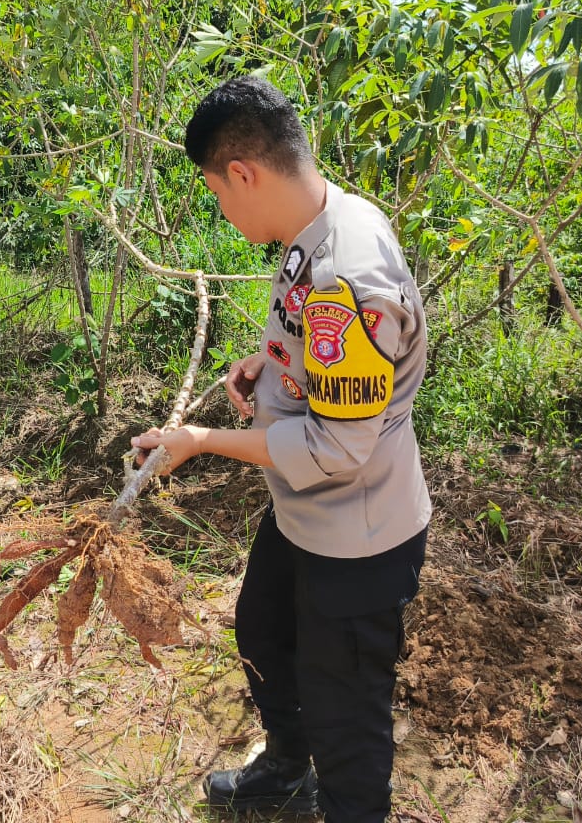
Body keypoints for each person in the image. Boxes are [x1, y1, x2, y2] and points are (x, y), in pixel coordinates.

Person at [131, 75, 432, 823]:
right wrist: (271, 363)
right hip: (304, 515)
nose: (223, 210)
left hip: (354, 534)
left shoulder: (348, 277)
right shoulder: (321, 223)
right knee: (264, 632)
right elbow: (323, 349)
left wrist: (200, 441)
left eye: (217, 193)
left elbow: (337, 445)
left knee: (346, 709)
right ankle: (288, 767)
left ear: (243, 173)